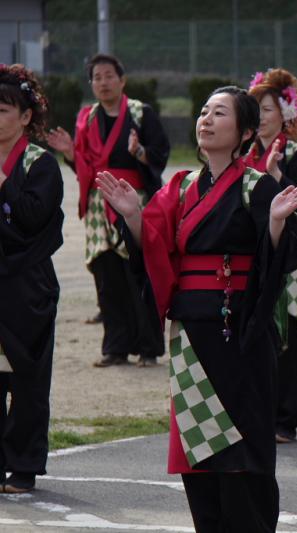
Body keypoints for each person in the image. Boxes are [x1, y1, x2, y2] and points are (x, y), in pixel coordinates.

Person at [96, 85, 297, 532]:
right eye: (203, 112)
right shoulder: (181, 186)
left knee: (242, 443)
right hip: (190, 331)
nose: (206, 120)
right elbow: (154, 250)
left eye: (220, 113)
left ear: (246, 130)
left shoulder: (259, 185)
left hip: (240, 331)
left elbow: (282, 257)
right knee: (200, 445)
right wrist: (134, 217)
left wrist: (274, 223)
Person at [46, 53, 170, 368]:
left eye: (108, 76)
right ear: (91, 84)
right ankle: (115, 347)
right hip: (100, 205)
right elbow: (86, 166)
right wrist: (70, 152)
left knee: (138, 274)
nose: (103, 82)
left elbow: (160, 153)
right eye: (97, 77)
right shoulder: (86, 118)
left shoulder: (141, 113)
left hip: (132, 199)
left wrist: (138, 151)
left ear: (122, 80)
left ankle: (148, 347)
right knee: (107, 275)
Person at [245, 68, 297, 443]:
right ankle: (256, 410)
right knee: (254, 331)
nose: (260, 116)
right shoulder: (242, 155)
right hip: (252, 256)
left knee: (287, 331)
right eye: (255, 108)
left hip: (292, 258)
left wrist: (278, 176)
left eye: (267, 109)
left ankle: (286, 417)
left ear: (285, 114)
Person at [0, 64, 64, 493]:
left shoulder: (40, 162)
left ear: (26, 117)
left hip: (25, 284)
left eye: (3, 109)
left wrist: (3, 180)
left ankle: (23, 467)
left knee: (26, 379)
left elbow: (32, 220)